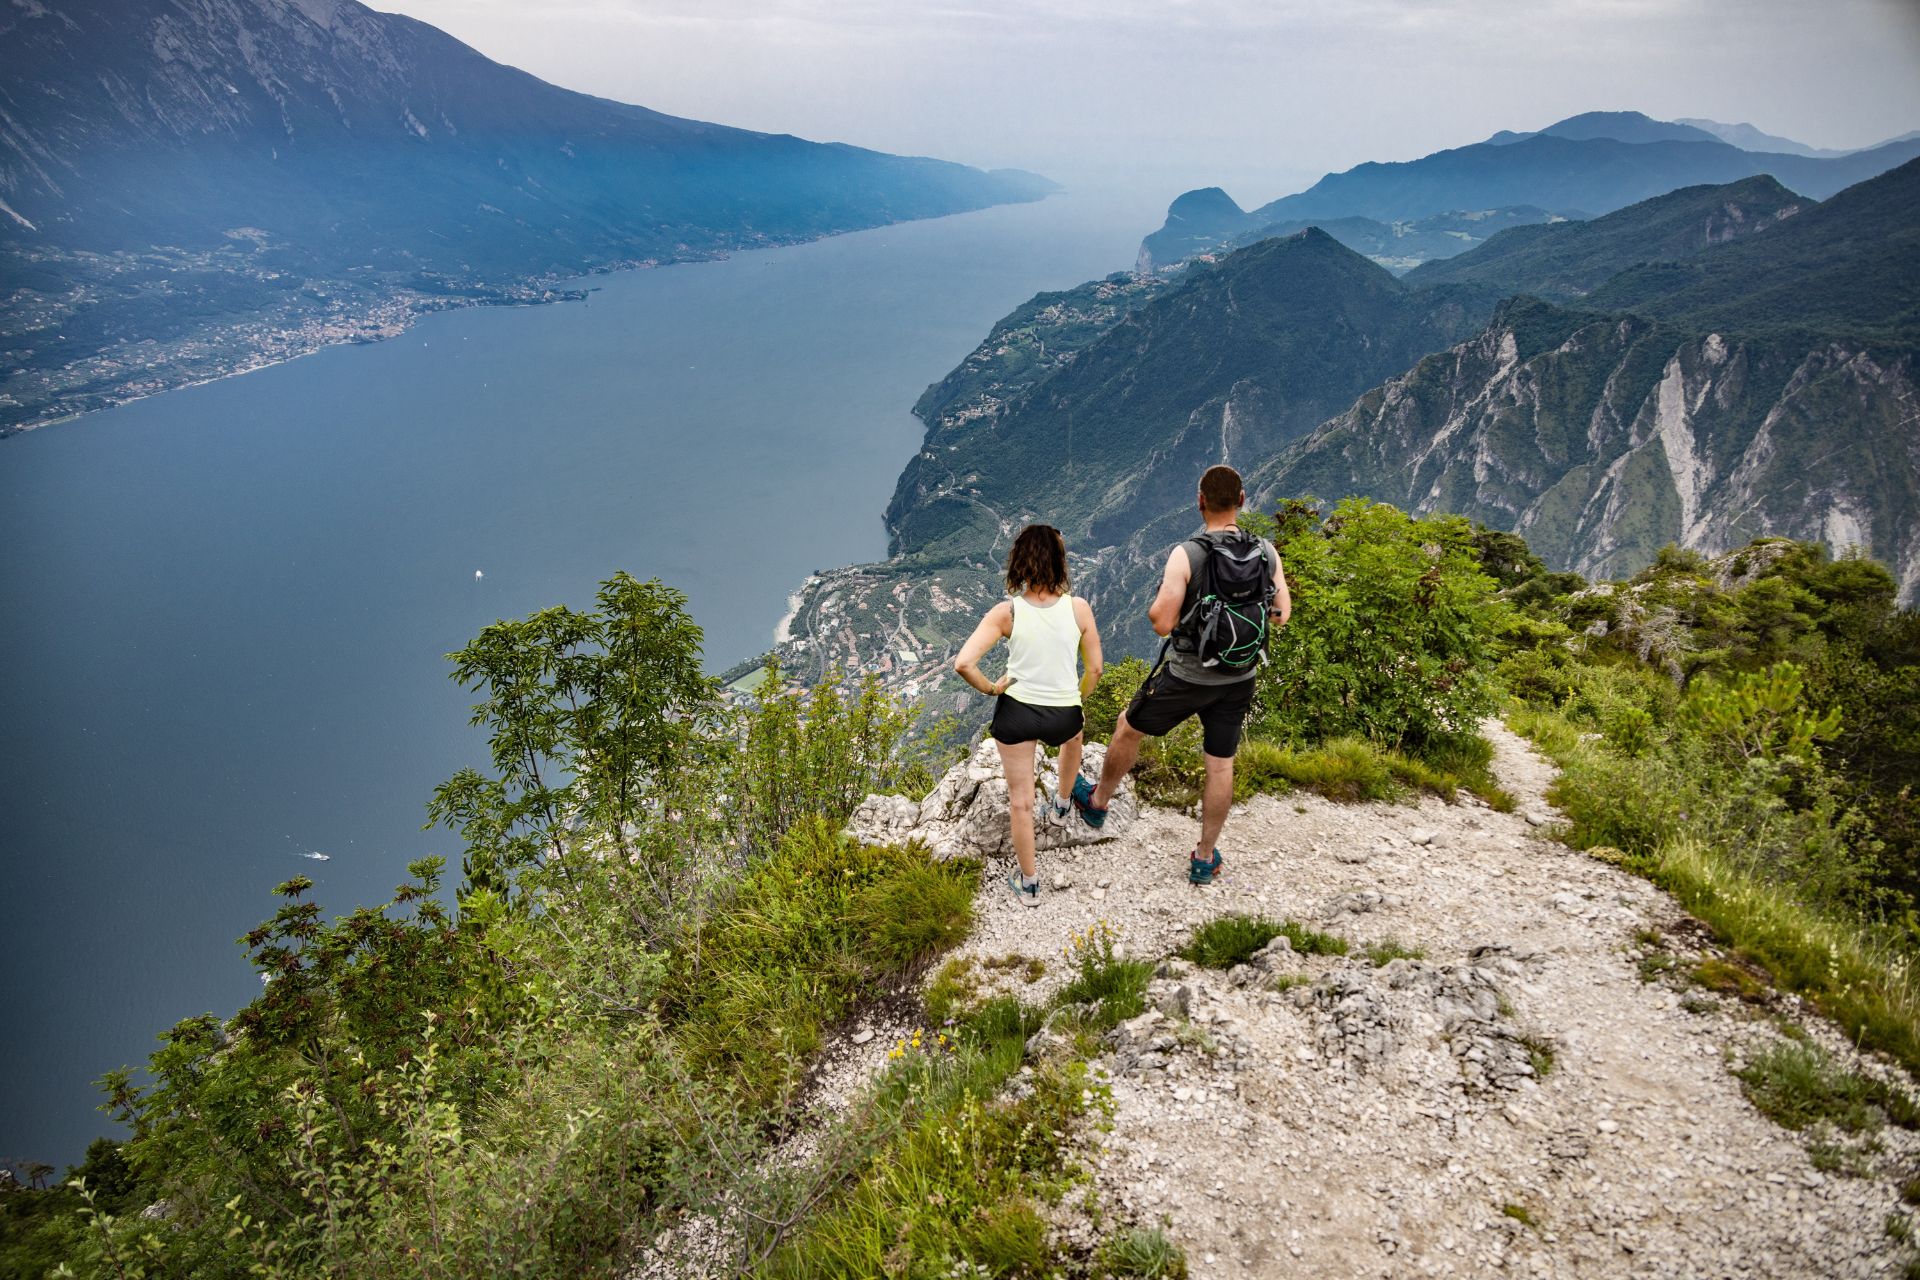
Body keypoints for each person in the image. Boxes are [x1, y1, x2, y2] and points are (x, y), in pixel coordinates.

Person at [1072, 465, 1290, 885]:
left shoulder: (1188, 554)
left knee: (1128, 727)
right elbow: (1281, 616)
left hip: (1188, 675)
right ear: (1242, 501)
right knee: (1220, 765)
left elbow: (1160, 621)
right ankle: (1205, 856)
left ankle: (1098, 802)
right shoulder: (1266, 551)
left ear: (1200, 501)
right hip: (1239, 677)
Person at [953, 524, 1103, 907]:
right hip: (1063, 715)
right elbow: (1096, 670)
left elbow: (964, 663)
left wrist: (993, 688)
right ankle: (1063, 804)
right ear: (1060, 563)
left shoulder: (1008, 613)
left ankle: (1030, 883)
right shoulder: (1079, 608)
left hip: (1017, 715)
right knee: (1074, 737)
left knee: (1020, 800)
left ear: (1019, 562)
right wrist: (1075, 699)